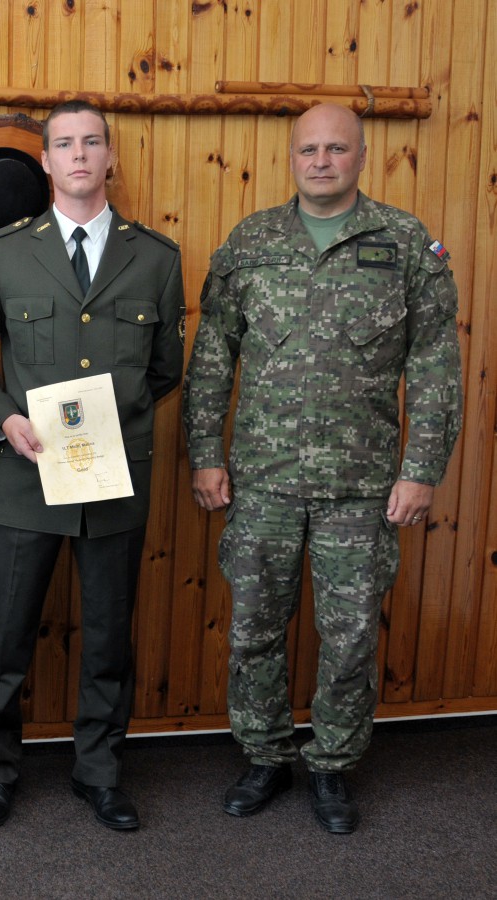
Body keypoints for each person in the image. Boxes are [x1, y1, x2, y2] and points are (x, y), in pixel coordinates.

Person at [182, 102, 462, 834]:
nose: (321, 161)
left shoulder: (404, 243)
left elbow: (435, 364)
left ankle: (333, 764)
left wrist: (421, 468)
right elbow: (211, 358)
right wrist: (205, 454)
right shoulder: (251, 242)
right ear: (291, 158)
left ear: (361, 157)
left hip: (361, 486)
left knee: (350, 636)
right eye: (308, 149)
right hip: (262, 480)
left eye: (336, 148)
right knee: (253, 629)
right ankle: (265, 755)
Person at [0, 100, 185, 831]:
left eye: (91, 142)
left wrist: (114, 423)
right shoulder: (6, 252)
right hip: (26, 476)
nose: (78, 154)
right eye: (63, 144)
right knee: (4, 637)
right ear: (46, 162)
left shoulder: (156, 258)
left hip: (114, 478)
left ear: (109, 157)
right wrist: (4, 419)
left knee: (110, 637)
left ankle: (100, 772)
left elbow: (164, 369)